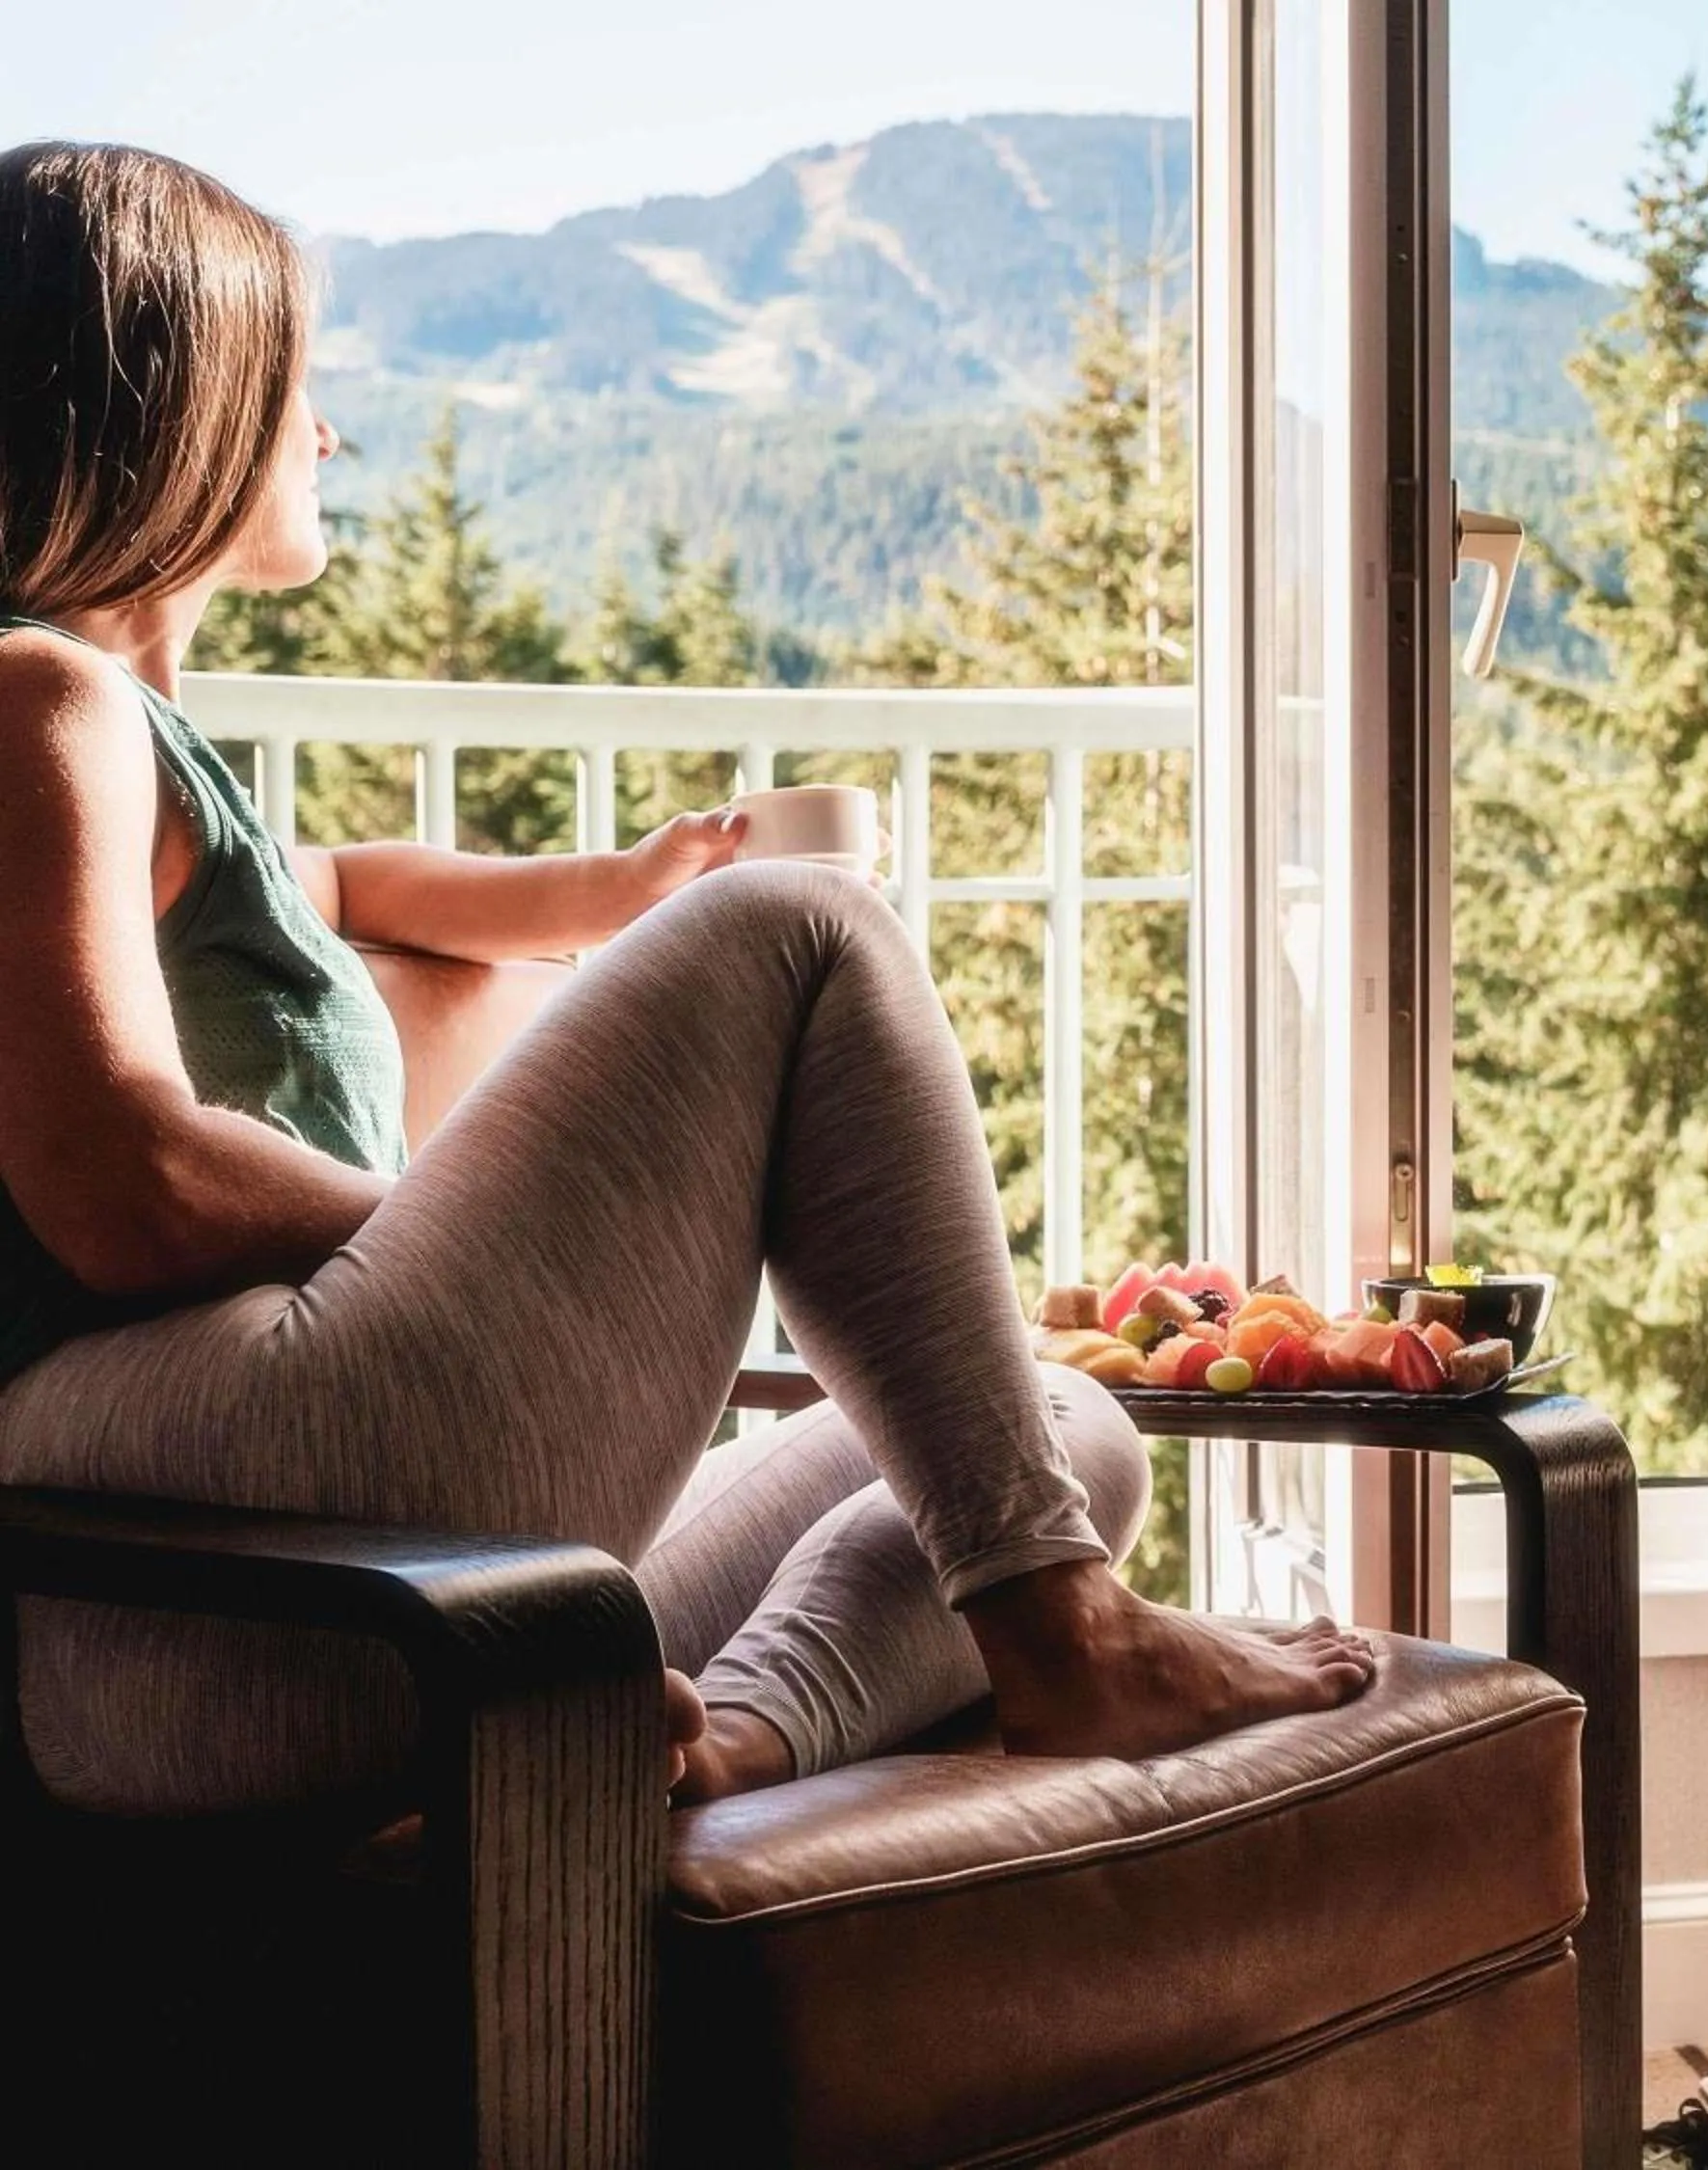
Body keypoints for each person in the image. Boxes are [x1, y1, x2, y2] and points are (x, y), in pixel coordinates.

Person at [0, 140, 1370, 1819]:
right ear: (181, 404)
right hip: (187, 1554)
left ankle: (732, 1730)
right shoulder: (35, 701)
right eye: (297, 384)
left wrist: (615, 891)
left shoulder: (129, 750)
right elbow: (111, 1180)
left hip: (328, 1534)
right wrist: (458, 1235)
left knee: (1054, 1431)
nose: (325, 428)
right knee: (807, 925)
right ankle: (1069, 1635)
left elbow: (341, 885)